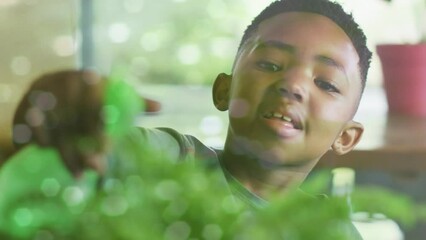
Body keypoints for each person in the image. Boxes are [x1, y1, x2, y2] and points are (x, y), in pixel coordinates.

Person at [2, 0, 372, 237]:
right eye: (270, 64)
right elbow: (104, 149)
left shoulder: (333, 231)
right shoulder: (170, 162)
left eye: (326, 82)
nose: (292, 84)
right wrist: (69, 117)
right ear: (223, 91)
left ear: (346, 137)